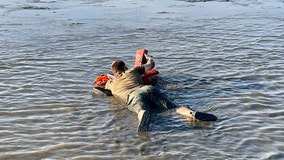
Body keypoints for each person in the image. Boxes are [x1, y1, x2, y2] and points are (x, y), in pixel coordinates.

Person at [105, 55, 217, 132]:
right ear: (125, 68)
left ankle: (143, 114)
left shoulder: (111, 83)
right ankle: (191, 113)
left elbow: (100, 88)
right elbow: (151, 64)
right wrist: (149, 57)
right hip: (147, 88)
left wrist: (110, 78)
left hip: (133, 96)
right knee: (175, 108)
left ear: (114, 72)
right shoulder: (132, 71)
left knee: (141, 110)